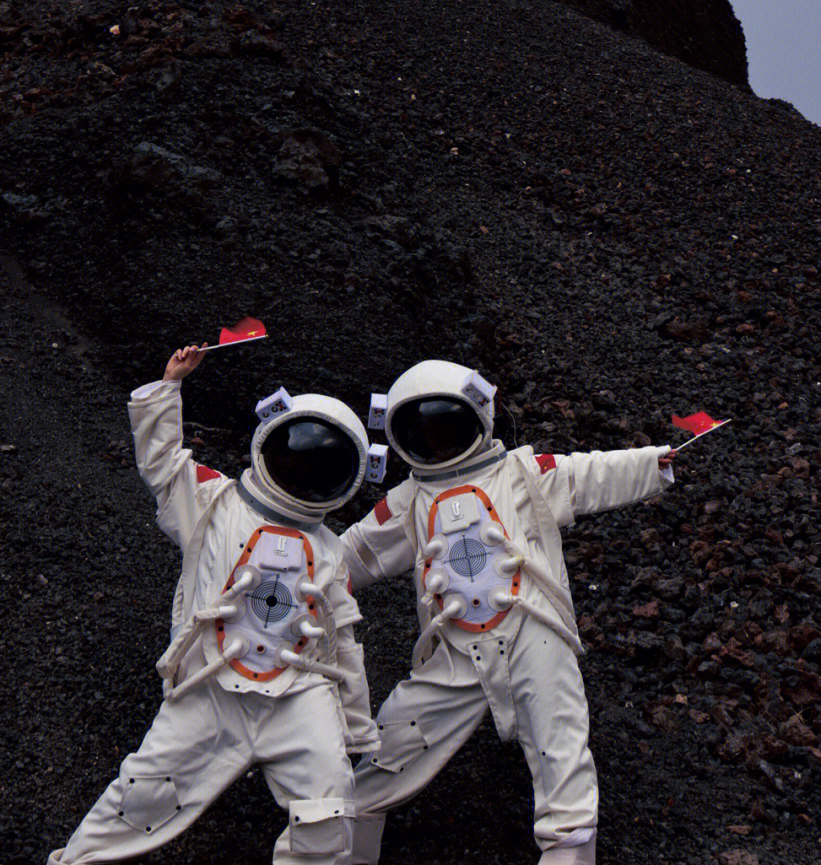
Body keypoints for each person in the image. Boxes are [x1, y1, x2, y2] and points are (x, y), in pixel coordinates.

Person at [48, 344, 379, 865]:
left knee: (328, 809)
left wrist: (355, 727)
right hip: (210, 684)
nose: (300, 471)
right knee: (142, 795)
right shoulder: (215, 503)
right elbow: (164, 465)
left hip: (299, 694)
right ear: (270, 448)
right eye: (293, 456)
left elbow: (341, 640)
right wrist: (169, 387)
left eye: (318, 466)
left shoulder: (330, 552)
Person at [341, 359, 675, 865]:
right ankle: (342, 845)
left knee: (559, 751)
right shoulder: (409, 501)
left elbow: (593, 474)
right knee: (391, 749)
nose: (439, 444)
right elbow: (354, 555)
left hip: (533, 632)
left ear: (478, 418)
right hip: (452, 650)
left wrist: (655, 462)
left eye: (448, 430)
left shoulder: (525, 473)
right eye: (424, 434)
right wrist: (303, 578)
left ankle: (568, 846)